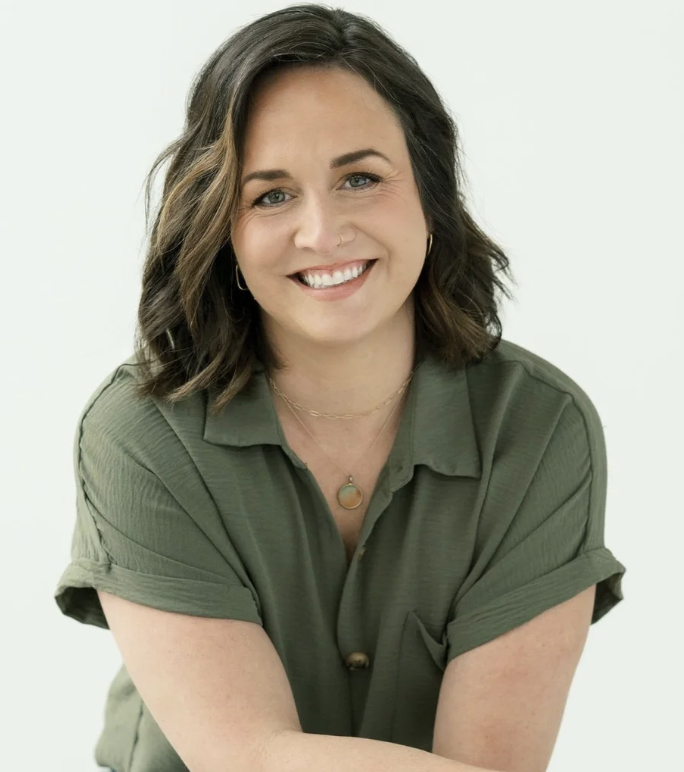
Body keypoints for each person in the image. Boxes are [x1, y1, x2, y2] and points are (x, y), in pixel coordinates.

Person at [54, 5, 626, 772]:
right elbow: (248, 757)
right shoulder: (142, 432)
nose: (322, 232)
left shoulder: (539, 428)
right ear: (223, 227)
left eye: (360, 177)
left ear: (431, 193)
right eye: (271, 195)